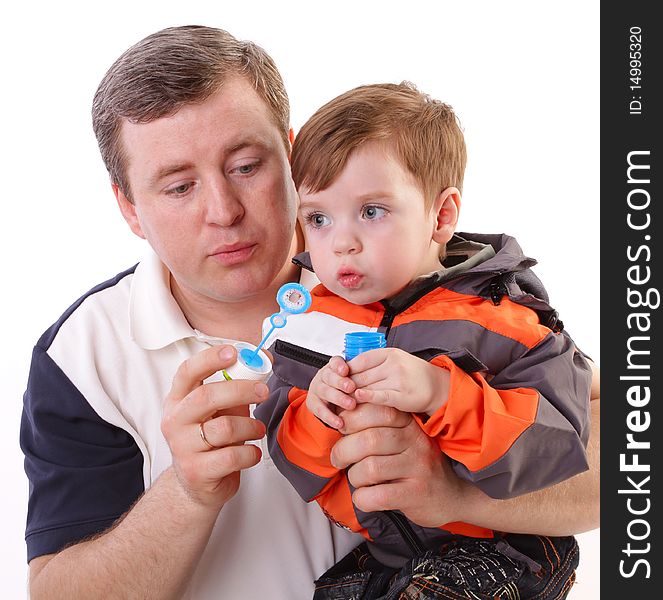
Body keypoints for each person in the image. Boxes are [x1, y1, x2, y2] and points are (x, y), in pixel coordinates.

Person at [19, 26, 600, 600]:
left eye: (247, 166)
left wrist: (453, 494)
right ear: (129, 208)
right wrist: (186, 495)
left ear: (293, 156)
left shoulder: (396, 261)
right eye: (178, 187)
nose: (223, 211)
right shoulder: (82, 356)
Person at [255, 82, 593, 599]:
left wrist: (442, 394)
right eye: (318, 218)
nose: (341, 241)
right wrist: (317, 415)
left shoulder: (505, 319)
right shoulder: (308, 324)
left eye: (371, 211)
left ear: (442, 216)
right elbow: (293, 461)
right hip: (390, 552)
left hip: (505, 549)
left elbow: (553, 446)